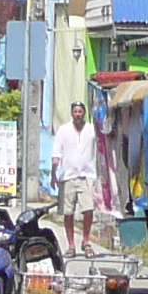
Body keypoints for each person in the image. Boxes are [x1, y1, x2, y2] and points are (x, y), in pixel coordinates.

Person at [50, 101, 103, 253]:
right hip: (68, 176)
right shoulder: (63, 130)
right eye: (75, 112)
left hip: (87, 175)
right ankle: (71, 245)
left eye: (80, 112)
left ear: (84, 113)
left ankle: (86, 241)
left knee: (88, 209)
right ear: (71, 113)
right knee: (68, 212)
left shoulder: (92, 129)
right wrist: (54, 174)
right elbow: (56, 154)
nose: (78, 114)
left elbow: (100, 150)